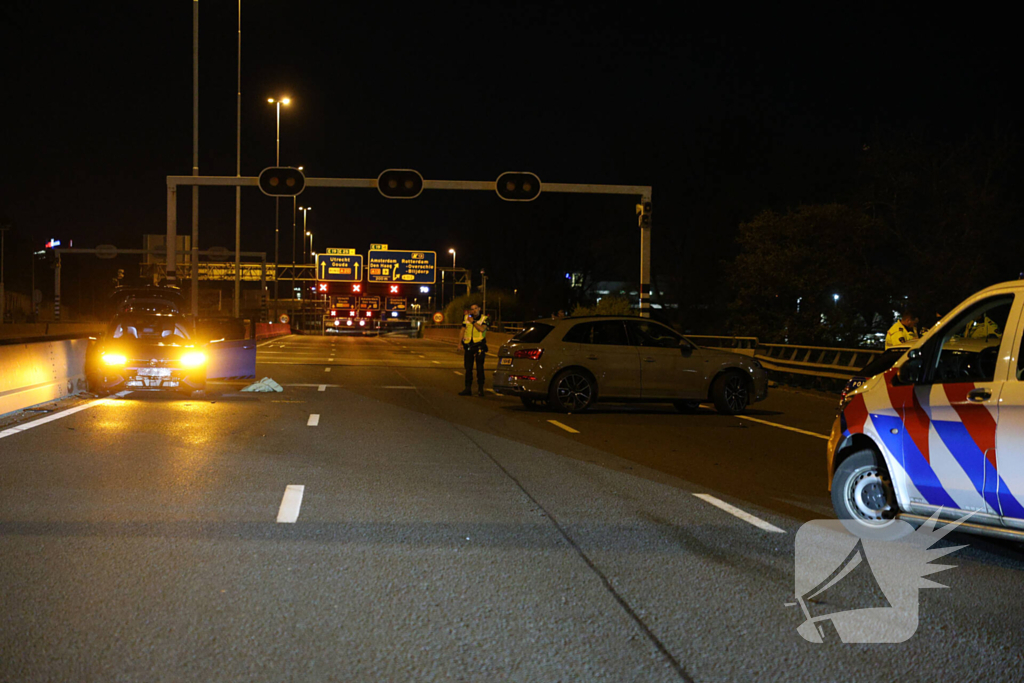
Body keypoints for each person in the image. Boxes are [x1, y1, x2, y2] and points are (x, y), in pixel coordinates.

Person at [459, 303, 489, 396]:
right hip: (468, 345)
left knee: (480, 368)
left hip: (479, 345)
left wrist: (473, 322)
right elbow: (462, 330)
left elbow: (482, 329)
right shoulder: (466, 318)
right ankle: (467, 389)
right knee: (468, 368)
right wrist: (459, 343)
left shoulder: (484, 318)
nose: (474, 310)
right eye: (472, 309)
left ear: (479, 309)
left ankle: (480, 389)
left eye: (476, 308)